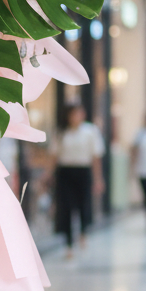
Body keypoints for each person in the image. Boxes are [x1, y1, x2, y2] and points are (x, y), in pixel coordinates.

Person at [53, 104, 105, 253]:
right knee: (66, 207)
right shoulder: (61, 132)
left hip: (83, 171)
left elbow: (96, 157)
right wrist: (49, 175)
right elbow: (54, 155)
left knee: (83, 204)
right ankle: (68, 242)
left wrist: (98, 179)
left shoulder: (90, 131)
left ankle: (83, 232)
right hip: (65, 172)